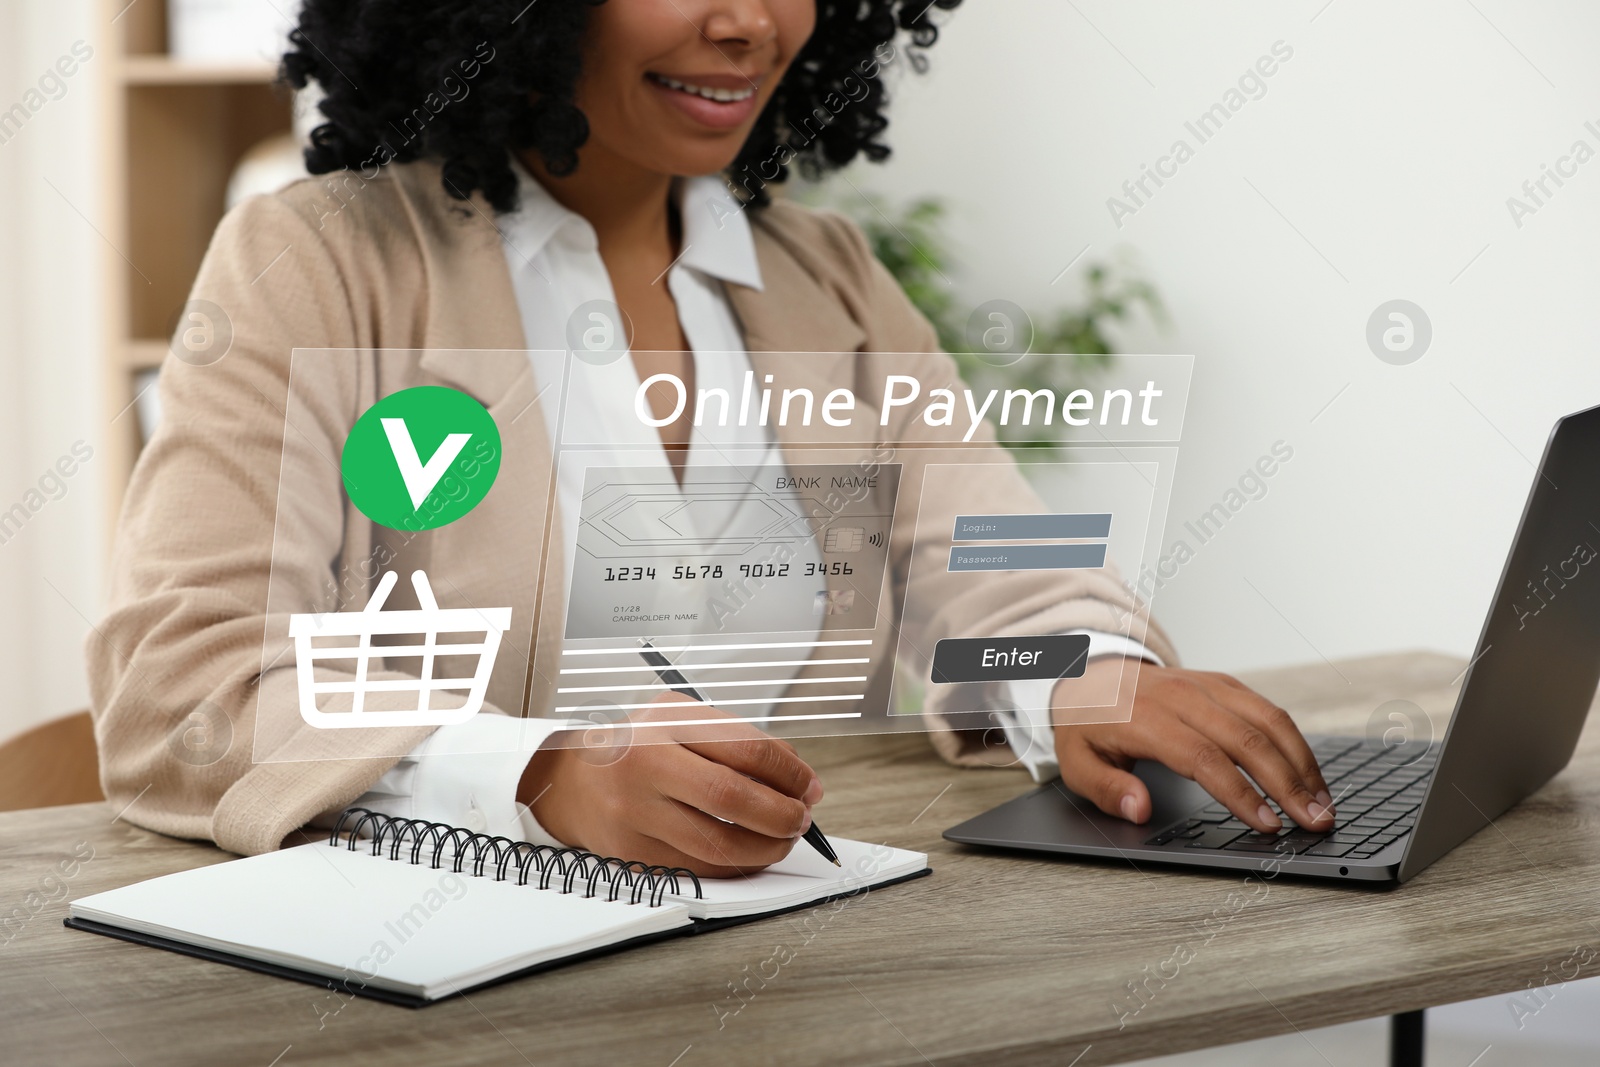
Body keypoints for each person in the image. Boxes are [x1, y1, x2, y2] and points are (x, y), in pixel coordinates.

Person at [88, 0, 1333, 872]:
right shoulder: (317, 262)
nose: (750, 22)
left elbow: (1001, 546)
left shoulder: (825, 272)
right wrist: (536, 772)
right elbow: (186, 690)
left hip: (794, 932)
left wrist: (1089, 663)